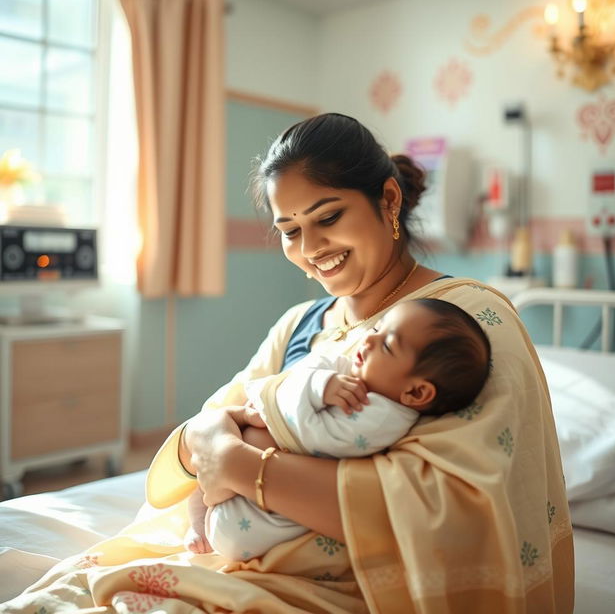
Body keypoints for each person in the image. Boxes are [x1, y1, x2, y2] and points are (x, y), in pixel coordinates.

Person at [1, 113, 573, 614]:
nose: (310, 246)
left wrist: (241, 467)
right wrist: (211, 442)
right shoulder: (302, 325)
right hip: (242, 559)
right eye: (290, 230)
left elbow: (455, 512)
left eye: (328, 217)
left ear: (389, 201)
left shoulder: (468, 323)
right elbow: (199, 436)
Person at [185, 298, 492, 558]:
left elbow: (313, 436)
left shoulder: (381, 417)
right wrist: (319, 382)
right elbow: (316, 364)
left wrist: (309, 390)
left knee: (232, 528)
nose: (368, 340)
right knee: (199, 482)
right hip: (237, 461)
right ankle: (198, 516)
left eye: (386, 345)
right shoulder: (360, 373)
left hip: (259, 506)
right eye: (375, 328)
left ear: (415, 393)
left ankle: (206, 521)